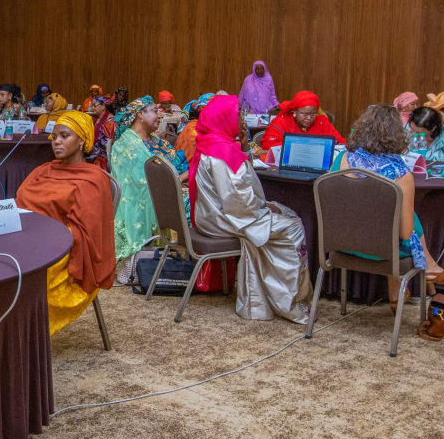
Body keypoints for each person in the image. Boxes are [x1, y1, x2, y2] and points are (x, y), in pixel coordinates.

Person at [189, 95, 311, 323]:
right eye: (238, 114)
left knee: (285, 212)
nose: (243, 119)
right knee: (293, 226)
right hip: (225, 218)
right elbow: (238, 200)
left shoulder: (212, 142)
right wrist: (264, 206)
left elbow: (236, 186)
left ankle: (271, 294)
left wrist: (244, 146)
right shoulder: (222, 154)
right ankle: (290, 301)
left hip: (211, 214)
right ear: (225, 118)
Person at [340, 105, 444, 307]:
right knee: (404, 222)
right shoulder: (401, 174)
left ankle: (403, 292)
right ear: (400, 135)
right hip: (383, 249)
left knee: (391, 216)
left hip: (342, 243)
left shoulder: (343, 159)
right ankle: (422, 274)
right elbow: (404, 234)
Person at [15, 111, 117, 333]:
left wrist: (45, 236)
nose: (56, 142)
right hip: (28, 237)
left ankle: (23, 335)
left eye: (64, 136)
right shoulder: (44, 170)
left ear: (82, 141)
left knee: (22, 274)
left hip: (62, 249)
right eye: (54, 137)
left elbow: (86, 231)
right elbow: (20, 204)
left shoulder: (93, 178)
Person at [109, 96, 165, 278]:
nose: (160, 116)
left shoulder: (155, 139)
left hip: (167, 190)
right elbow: (139, 183)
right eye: (155, 111)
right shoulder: (126, 146)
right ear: (140, 114)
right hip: (149, 196)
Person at [259, 90, 346, 151]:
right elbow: (267, 144)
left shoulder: (322, 121)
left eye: (313, 114)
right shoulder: (282, 121)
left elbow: (341, 144)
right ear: (295, 112)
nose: (309, 118)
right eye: (304, 114)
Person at [87, 94, 116, 170]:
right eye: (92, 106)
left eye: (95, 105)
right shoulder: (94, 119)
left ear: (103, 106)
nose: (92, 108)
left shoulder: (110, 121)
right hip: (94, 150)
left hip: (103, 154)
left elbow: (109, 144)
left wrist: (92, 150)